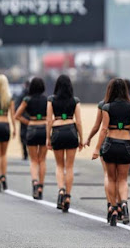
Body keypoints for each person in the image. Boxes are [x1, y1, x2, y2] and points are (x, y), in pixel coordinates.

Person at [92, 78, 130, 226]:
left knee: (111, 179)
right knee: (123, 179)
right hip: (126, 145)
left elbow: (103, 129)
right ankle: (124, 205)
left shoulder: (107, 107)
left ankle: (113, 208)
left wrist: (97, 148)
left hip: (110, 144)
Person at [84, 81, 122, 222]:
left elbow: (97, 126)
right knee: (120, 178)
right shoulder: (127, 105)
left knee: (108, 176)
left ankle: (110, 206)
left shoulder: (103, 104)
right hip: (123, 143)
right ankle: (119, 204)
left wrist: (89, 138)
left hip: (107, 142)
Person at [46, 75, 83, 212]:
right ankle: (68, 196)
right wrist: (81, 139)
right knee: (70, 166)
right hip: (71, 131)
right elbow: (78, 121)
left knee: (60, 165)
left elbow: (49, 120)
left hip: (57, 130)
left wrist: (48, 138)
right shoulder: (75, 101)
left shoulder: (51, 100)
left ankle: (61, 189)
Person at [15, 77, 48, 200]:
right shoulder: (47, 100)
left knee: (33, 160)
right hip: (44, 129)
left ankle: (34, 182)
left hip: (32, 129)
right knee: (42, 160)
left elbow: (16, 115)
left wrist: (28, 122)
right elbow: (51, 116)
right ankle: (41, 186)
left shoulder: (27, 99)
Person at [15, 80, 30, 161]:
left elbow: (16, 106)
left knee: (23, 136)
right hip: (33, 119)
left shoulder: (22, 95)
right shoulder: (33, 95)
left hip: (23, 118)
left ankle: (25, 154)